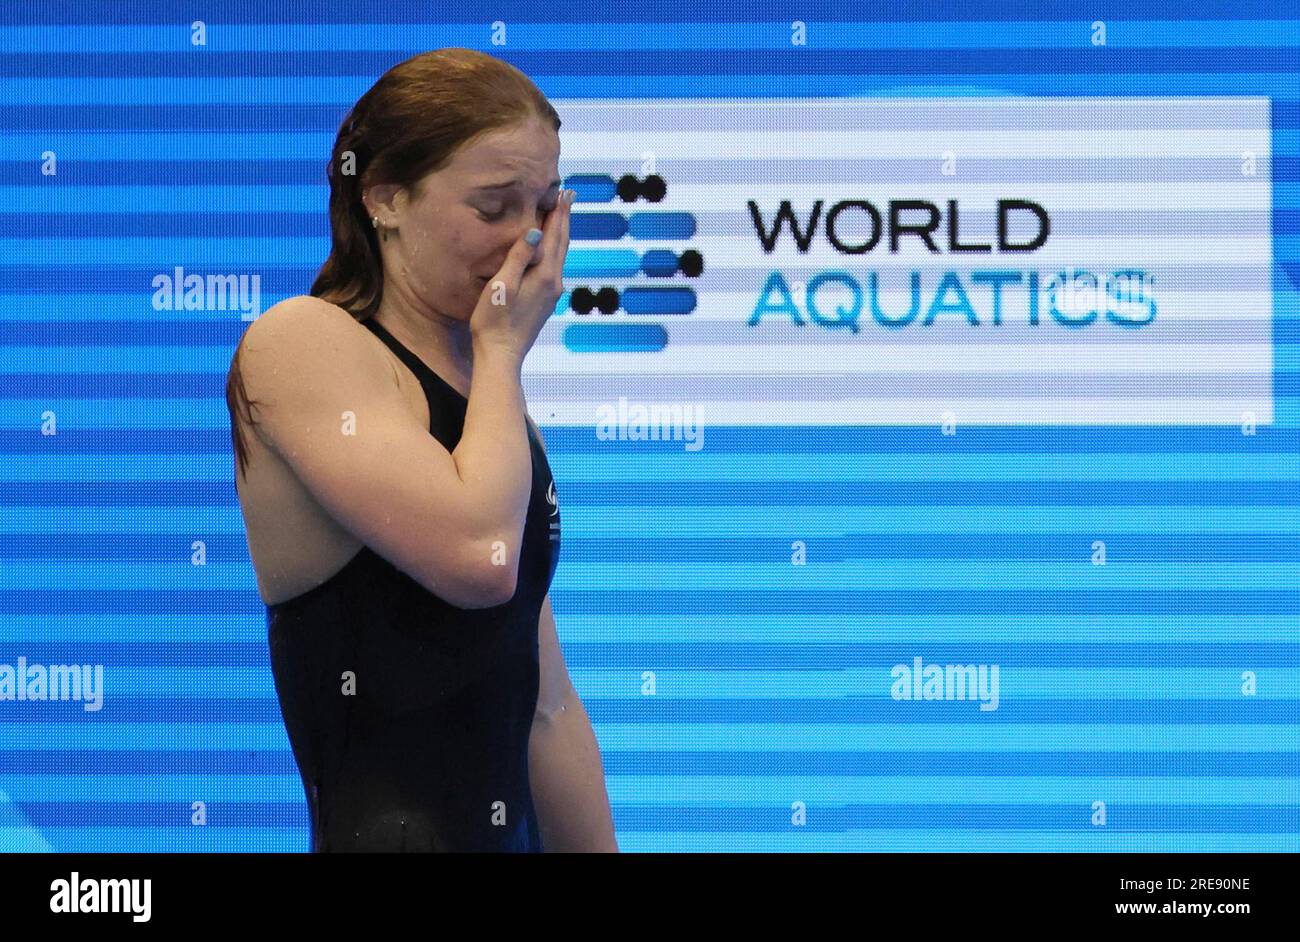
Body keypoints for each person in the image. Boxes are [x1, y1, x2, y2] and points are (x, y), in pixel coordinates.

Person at [225, 48, 618, 852]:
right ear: (384, 199)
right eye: (494, 207)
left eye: (543, 207)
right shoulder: (301, 342)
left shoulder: (487, 396)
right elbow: (480, 557)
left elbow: (544, 705)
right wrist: (504, 353)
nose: (528, 244)